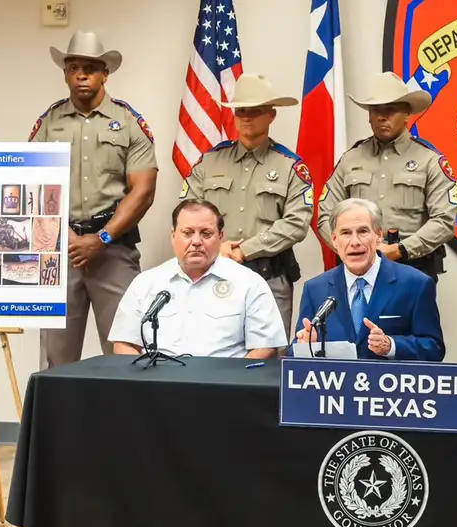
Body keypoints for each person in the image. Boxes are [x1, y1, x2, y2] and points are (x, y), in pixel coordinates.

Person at [30, 31, 158, 369]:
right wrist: (68, 237)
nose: (81, 74)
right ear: (65, 73)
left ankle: (123, 424)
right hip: (60, 249)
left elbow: (143, 191)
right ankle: (59, 423)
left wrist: (101, 238)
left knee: (126, 353)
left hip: (113, 250)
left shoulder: (129, 122)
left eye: (90, 67)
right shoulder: (49, 123)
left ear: (105, 73)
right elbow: (33, 184)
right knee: (56, 358)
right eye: (73, 67)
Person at [181, 73, 312, 339]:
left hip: (269, 277)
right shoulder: (210, 162)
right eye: (241, 111)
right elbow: (187, 213)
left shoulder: (290, 166)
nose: (247, 117)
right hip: (212, 274)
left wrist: (245, 250)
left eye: (256, 110)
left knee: (268, 360)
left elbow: (296, 223)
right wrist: (218, 248)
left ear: (271, 115)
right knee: (210, 352)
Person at [316, 72, 456, 282]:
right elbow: (325, 214)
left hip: (411, 270)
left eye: (390, 109)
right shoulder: (351, 159)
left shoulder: (430, 161)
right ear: (369, 115)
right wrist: (350, 249)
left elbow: (444, 221)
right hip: (356, 273)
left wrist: (399, 250)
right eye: (376, 110)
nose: (382, 116)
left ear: (407, 113)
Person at [108, 198, 287, 358]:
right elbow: (124, 343)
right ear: (173, 236)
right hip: (158, 386)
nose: (196, 241)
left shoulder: (249, 283)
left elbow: (265, 347)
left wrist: (231, 384)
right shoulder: (146, 283)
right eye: (187, 233)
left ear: (220, 237)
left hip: (224, 387)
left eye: (206, 233)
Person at [296, 198, 445, 362]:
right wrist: (305, 345)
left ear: (379, 235)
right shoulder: (315, 289)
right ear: (334, 239)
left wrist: (391, 346)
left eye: (363, 231)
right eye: (346, 233)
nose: (354, 242)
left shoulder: (416, 284)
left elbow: (434, 349)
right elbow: (295, 351)